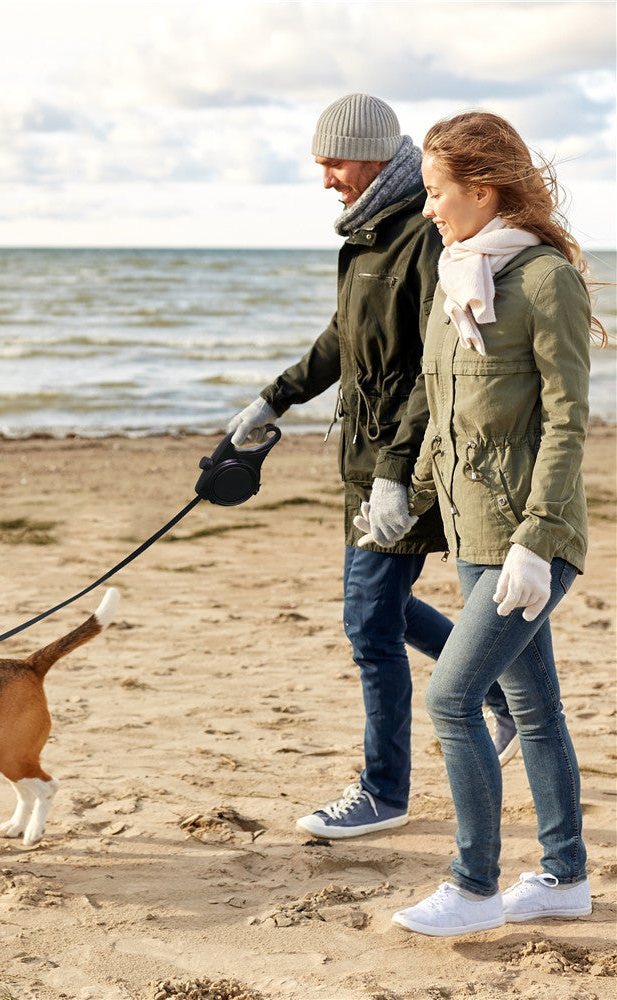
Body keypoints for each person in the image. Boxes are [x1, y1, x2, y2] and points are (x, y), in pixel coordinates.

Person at [228, 94, 515, 839]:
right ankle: (500, 692)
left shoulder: (424, 234)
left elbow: (434, 368)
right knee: (381, 609)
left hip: (407, 463)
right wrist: (275, 397)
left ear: (374, 155)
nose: (325, 178)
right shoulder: (364, 234)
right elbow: (342, 337)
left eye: (334, 162)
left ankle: (384, 792)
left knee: (367, 622)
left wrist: (394, 472)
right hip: (364, 460)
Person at [368, 110, 603, 936]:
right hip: (473, 534)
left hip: (531, 540)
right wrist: (403, 498)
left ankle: (472, 888)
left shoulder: (544, 281)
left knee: (452, 697)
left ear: (483, 188)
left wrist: (537, 541)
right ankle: (565, 877)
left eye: (436, 192)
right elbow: (443, 412)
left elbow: (568, 423)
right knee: (534, 710)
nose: (428, 208)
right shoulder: (457, 277)